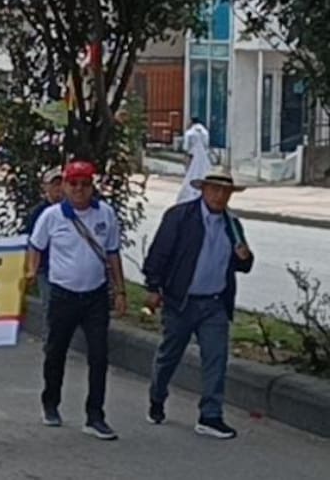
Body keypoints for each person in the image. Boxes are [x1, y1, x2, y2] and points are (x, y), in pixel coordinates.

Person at [144, 172, 254, 439]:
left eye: (225, 192)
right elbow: (160, 252)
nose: (219, 196)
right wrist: (153, 286)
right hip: (181, 301)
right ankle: (157, 397)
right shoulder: (180, 217)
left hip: (215, 302)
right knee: (169, 354)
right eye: (214, 189)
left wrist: (245, 257)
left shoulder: (232, 224)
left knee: (216, 357)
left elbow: (244, 264)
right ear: (203, 190)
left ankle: (211, 415)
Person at [26, 160, 127, 441]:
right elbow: (36, 247)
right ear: (65, 187)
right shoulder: (52, 216)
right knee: (55, 351)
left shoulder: (105, 214)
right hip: (62, 294)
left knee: (99, 355)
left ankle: (95, 415)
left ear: (92, 186)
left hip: (94, 295)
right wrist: (32, 271)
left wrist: (120, 290)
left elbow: (113, 253)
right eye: (74, 184)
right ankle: (51, 402)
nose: (79, 189)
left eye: (85, 184)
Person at [26, 168, 65, 315]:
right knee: (50, 309)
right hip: (46, 268)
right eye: (54, 184)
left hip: (65, 269)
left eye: (61, 183)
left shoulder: (73, 210)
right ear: (45, 186)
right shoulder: (38, 212)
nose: (58, 188)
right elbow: (31, 242)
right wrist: (32, 269)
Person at [177, 117, 212, 204]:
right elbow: (206, 145)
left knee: (190, 174)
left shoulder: (189, 132)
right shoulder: (205, 132)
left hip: (192, 155)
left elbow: (186, 147)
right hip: (203, 156)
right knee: (203, 173)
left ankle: (190, 192)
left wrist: (186, 156)